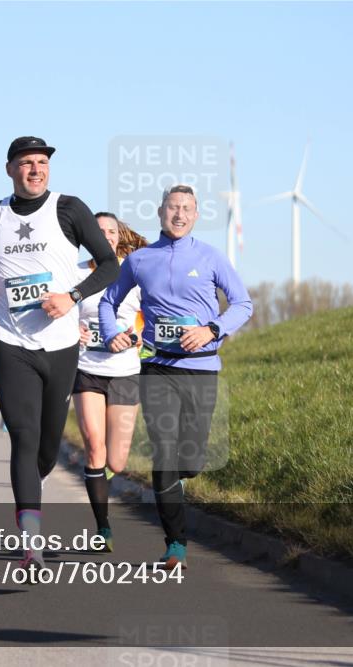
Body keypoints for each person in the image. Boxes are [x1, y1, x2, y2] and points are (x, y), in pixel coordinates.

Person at [0, 136, 119, 571]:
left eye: (42, 162)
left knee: (47, 447)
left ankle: (35, 484)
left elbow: (110, 265)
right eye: (27, 163)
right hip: (9, 341)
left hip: (60, 344)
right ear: (10, 169)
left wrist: (72, 297)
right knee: (24, 436)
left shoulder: (69, 209)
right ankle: (31, 541)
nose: (36, 169)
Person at [99, 184, 253, 569]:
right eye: (172, 207)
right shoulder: (140, 260)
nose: (179, 214)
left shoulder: (211, 256)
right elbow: (108, 301)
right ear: (160, 212)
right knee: (164, 453)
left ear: (196, 215)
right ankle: (176, 545)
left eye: (186, 208)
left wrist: (212, 330)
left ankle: (181, 479)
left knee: (192, 460)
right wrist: (111, 333)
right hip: (157, 368)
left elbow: (243, 303)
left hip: (201, 369)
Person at [73, 213, 148, 552]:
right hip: (86, 367)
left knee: (116, 461)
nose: (105, 236)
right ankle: (102, 527)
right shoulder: (75, 272)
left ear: (120, 236)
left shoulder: (133, 272)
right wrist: (73, 329)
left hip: (125, 370)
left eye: (111, 231)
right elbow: (58, 312)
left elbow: (149, 315)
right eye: (99, 230)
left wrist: (139, 335)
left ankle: (101, 479)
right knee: (94, 447)